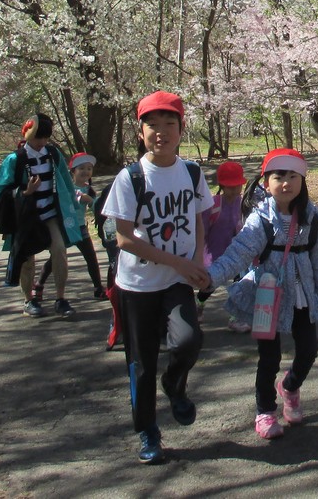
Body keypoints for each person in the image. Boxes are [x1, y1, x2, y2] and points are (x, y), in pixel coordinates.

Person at [102, 90, 213, 465]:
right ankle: (148, 430)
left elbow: (198, 219)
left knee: (188, 340)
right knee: (142, 361)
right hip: (137, 285)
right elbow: (123, 239)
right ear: (140, 132)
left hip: (177, 281)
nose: (161, 132)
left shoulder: (192, 172)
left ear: (182, 129)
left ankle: (175, 384)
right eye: (152, 125)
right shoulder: (130, 178)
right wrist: (179, 263)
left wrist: (196, 261)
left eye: (169, 124)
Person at [207, 148, 318, 440]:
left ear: (303, 180)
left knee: (309, 348)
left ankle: (290, 387)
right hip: (267, 294)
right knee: (269, 356)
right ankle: (265, 410)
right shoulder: (261, 218)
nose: (286, 183)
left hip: (302, 293)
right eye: (279, 177)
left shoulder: (312, 217)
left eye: (293, 176)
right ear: (266, 183)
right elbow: (239, 253)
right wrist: (211, 277)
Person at [0, 114, 83, 319]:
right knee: (26, 259)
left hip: (50, 214)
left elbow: (66, 182)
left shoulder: (53, 154)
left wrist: (74, 207)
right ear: (28, 135)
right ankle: (29, 300)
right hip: (26, 217)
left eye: (45, 138)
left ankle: (60, 298)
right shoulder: (15, 159)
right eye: (38, 137)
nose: (42, 142)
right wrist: (25, 192)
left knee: (59, 250)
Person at [34, 152, 106, 302]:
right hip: (65, 228)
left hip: (81, 228)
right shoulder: (66, 187)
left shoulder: (89, 190)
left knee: (91, 258)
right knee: (56, 257)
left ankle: (98, 288)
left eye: (89, 168)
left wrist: (92, 201)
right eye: (81, 168)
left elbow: (96, 208)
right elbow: (64, 201)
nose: (86, 172)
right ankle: (39, 285)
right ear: (73, 171)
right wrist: (78, 198)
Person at [198, 160, 250, 331]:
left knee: (239, 284)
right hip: (213, 254)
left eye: (237, 186)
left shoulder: (242, 204)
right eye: (230, 186)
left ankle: (236, 317)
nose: (234, 190)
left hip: (235, 253)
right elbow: (202, 231)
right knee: (209, 286)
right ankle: (198, 305)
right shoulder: (213, 205)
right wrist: (198, 254)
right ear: (222, 185)